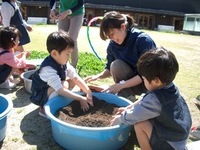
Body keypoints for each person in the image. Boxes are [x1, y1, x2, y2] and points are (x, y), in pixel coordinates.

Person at [110, 47, 192, 150]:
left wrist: (120, 119)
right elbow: (145, 99)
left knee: (140, 124)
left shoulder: (155, 100)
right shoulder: (171, 87)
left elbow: (137, 114)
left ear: (156, 81)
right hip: (178, 137)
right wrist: (128, 108)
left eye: (144, 79)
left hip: (171, 145)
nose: (143, 81)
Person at [85, 11, 156, 101]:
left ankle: (145, 99)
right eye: (108, 36)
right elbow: (110, 68)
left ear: (123, 27)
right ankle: (128, 98)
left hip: (149, 82)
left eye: (112, 34)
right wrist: (97, 76)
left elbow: (146, 73)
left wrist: (120, 85)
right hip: (130, 83)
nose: (112, 39)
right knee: (116, 65)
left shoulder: (142, 40)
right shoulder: (112, 45)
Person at [30, 31, 93, 117]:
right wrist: (80, 98)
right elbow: (60, 90)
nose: (69, 57)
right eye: (67, 54)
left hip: (51, 88)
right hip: (40, 95)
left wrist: (88, 91)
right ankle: (44, 108)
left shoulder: (63, 62)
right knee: (64, 86)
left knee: (71, 80)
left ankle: (61, 99)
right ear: (54, 53)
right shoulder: (48, 69)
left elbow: (76, 78)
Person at [49, 0, 84, 68]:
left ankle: (73, 66)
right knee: (61, 39)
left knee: (72, 39)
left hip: (77, 13)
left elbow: (80, 3)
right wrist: (52, 9)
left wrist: (68, 12)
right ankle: (61, 64)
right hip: (63, 13)